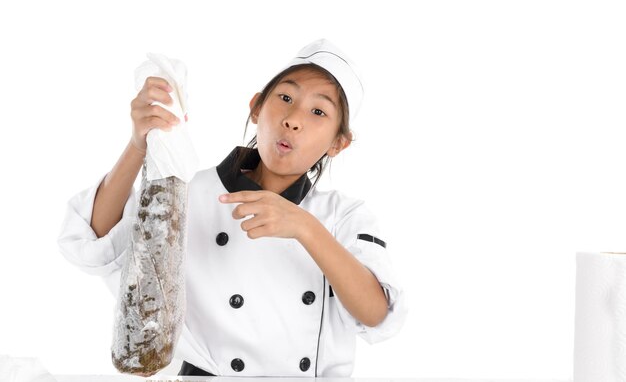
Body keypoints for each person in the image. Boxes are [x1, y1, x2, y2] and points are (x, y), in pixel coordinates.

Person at [57, 39, 407, 377]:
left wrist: (305, 227)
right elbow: (97, 244)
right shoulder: (191, 191)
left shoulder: (343, 217)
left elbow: (376, 313)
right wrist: (138, 143)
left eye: (318, 111)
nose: (293, 119)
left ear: (338, 144)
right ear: (256, 107)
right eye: (285, 97)